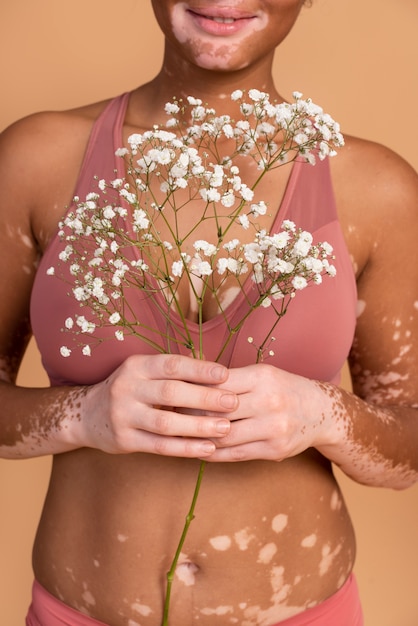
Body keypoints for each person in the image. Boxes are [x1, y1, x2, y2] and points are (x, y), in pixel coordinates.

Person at [1, 1, 417, 624]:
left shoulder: (377, 190)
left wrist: (322, 415)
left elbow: (408, 447)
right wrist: (80, 415)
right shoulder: (37, 158)